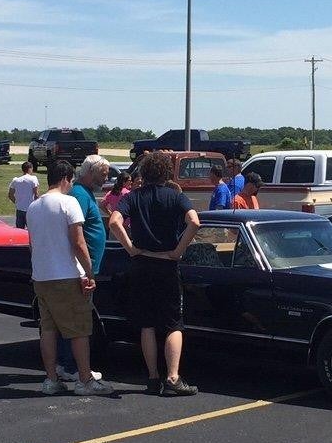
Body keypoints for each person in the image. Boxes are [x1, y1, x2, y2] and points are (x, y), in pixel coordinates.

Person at [109, 151, 201, 396]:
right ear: (166, 173)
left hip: (141, 263)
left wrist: (130, 248)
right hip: (166, 264)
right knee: (173, 324)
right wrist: (178, 250)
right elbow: (194, 221)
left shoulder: (134, 197)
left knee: (147, 324)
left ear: (144, 173)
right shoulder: (175, 196)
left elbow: (115, 221)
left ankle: (152, 377)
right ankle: (173, 377)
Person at [25, 161, 107, 395]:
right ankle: (84, 380)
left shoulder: (34, 206)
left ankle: (51, 379)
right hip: (67, 275)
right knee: (80, 330)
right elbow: (79, 243)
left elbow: (32, 244)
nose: (72, 185)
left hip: (42, 277)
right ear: (65, 179)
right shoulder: (68, 202)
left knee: (49, 330)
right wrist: (89, 273)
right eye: (71, 181)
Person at [54, 156, 111, 386]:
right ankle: (70, 366)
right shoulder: (78, 194)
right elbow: (75, 234)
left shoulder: (85, 193)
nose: (106, 177)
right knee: (76, 320)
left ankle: (67, 364)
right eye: (103, 173)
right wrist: (86, 269)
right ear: (90, 171)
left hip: (85, 267)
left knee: (75, 319)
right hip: (80, 270)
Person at [9, 161, 39, 229]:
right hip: (30, 209)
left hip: (19, 209)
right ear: (30, 169)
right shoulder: (33, 179)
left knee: (19, 231)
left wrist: (16, 202)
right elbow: (36, 194)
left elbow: (10, 195)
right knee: (32, 231)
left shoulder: (16, 180)